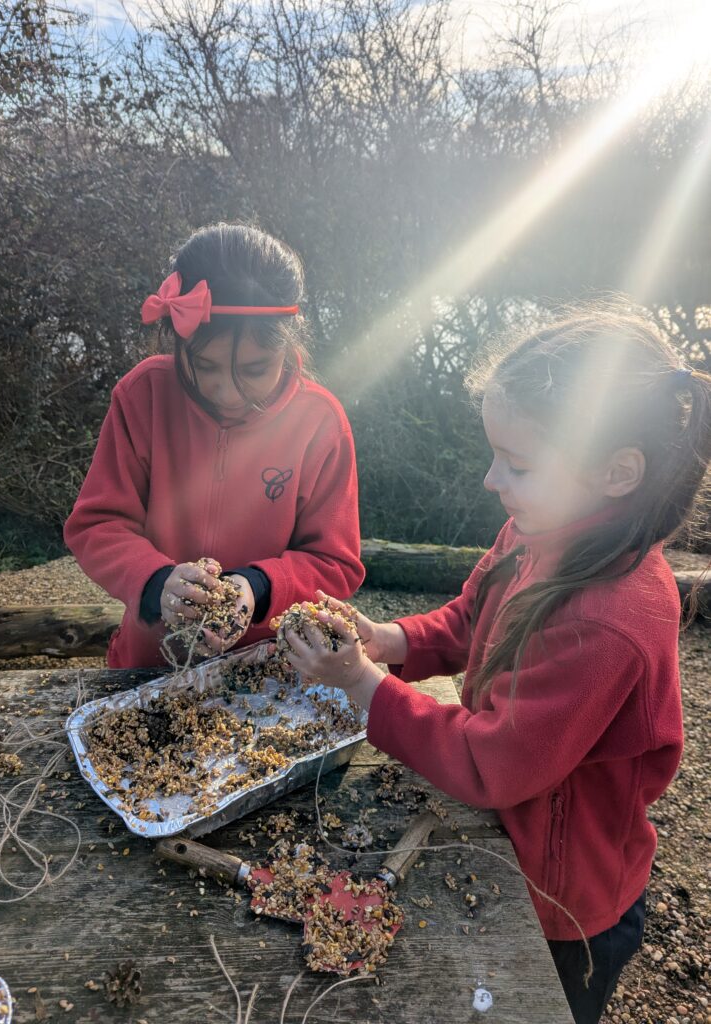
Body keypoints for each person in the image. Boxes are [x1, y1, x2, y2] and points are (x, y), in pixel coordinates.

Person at [280, 306, 711, 1024]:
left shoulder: (606, 618)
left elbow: (492, 766)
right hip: (513, 836)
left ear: (617, 472)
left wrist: (363, 685)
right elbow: (469, 619)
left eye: (517, 464)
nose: (490, 480)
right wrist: (390, 641)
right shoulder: (538, 526)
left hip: (567, 899)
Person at [64, 222, 364, 668]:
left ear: (290, 341)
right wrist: (156, 581)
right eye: (205, 365)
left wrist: (258, 587)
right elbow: (97, 524)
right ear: (176, 339)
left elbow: (335, 562)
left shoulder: (320, 422)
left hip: (267, 672)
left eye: (255, 368)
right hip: (149, 664)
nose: (230, 392)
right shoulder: (143, 396)